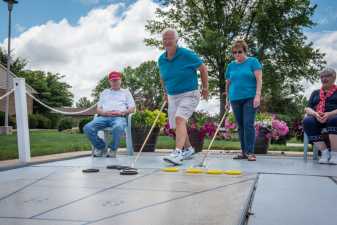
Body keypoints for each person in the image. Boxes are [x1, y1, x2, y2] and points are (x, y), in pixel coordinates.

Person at [158, 28, 209, 165]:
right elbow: (163, 77)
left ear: (176, 40)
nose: (167, 41)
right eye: (165, 39)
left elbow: (203, 68)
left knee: (180, 119)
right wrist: (165, 92)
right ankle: (188, 149)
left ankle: (177, 153)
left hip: (189, 93)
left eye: (170, 38)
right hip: (173, 95)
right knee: (175, 125)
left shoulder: (186, 54)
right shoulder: (161, 59)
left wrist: (205, 88)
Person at [225, 39, 263, 161]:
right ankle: (243, 152)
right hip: (235, 98)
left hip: (250, 98)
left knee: (248, 124)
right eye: (234, 52)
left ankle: (250, 152)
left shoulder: (253, 62)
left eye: (239, 52)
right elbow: (228, 84)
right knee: (240, 126)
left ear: (245, 51)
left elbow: (259, 80)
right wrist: (227, 100)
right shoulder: (230, 66)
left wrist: (257, 95)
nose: (237, 55)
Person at [83, 71, 135, 157]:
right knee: (87, 128)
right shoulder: (104, 92)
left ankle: (113, 149)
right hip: (104, 117)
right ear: (109, 81)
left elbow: (132, 108)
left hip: (119, 117)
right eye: (112, 80)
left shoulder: (126, 92)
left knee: (118, 127)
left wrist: (123, 112)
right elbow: (98, 109)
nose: (114, 82)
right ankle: (101, 147)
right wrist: (104, 113)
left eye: (116, 80)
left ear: (120, 80)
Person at [303, 68, 337, 165]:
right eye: (322, 77)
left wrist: (329, 114)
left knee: (334, 120)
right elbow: (307, 108)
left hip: (333, 116)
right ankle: (325, 153)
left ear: (334, 77)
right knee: (307, 121)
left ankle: (334, 154)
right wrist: (315, 114)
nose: (324, 79)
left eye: (327, 76)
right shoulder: (315, 93)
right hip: (317, 116)